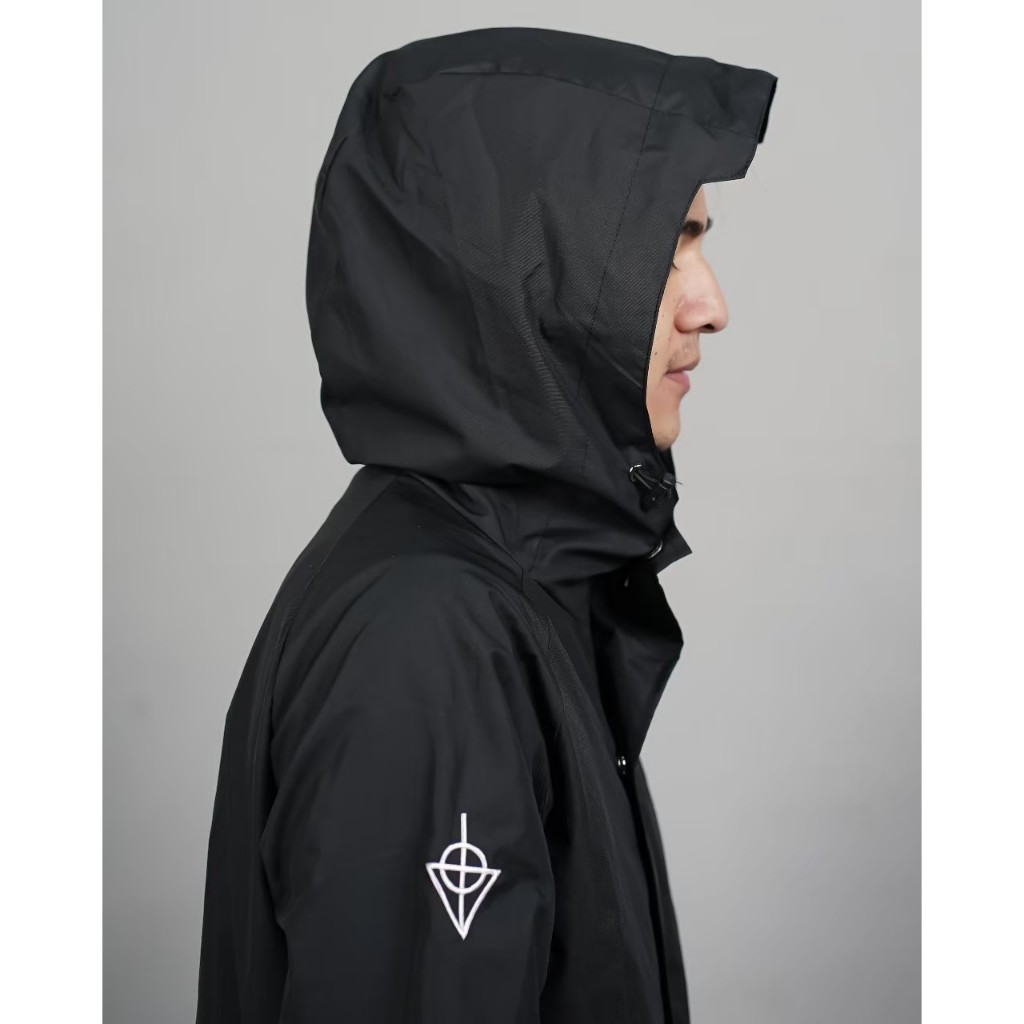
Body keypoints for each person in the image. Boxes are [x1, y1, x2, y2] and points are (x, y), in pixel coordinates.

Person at [195, 25, 776, 1024]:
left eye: (700, 244)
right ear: (524, 274)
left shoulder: (515, 575)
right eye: (670, 245)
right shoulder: (431, 636)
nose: (710, 305)